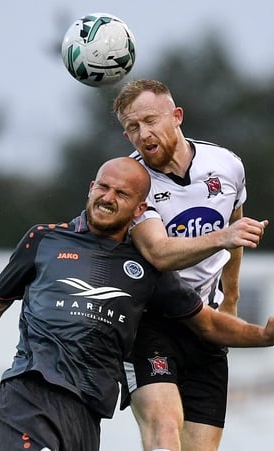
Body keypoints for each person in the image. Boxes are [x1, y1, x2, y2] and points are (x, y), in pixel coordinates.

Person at [0, 157, 274, 451]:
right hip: (29, 394)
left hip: (87, 411)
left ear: (140, 209)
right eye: (102, 187)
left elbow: (208, 325)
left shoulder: (147, 269)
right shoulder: (44, 240)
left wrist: (266, 335)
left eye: (121, 193)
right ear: (90, 189)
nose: (107, 197)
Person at [113, 79, 260, 451]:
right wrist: (221, 237)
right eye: (132, 128)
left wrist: (231, 299)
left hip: (204, 323)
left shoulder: (226, 165)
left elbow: (235, 222)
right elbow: (159, 253)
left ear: (176, 117)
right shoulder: (133, 182)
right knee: (164, 431)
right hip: (149, 323)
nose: (142, 134)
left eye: (149, 120)